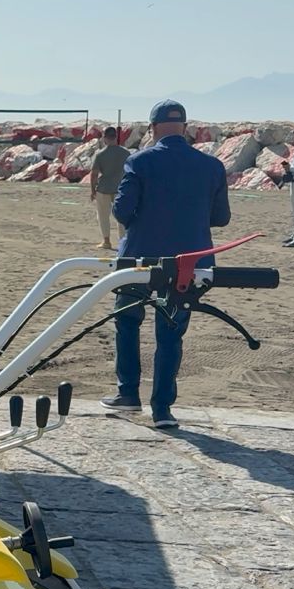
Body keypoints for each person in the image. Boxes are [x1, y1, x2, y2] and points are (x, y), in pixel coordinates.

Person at [102, 99, 230, 429]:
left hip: (139, 261)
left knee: (128, 321)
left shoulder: (139, 162)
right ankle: (162, 408)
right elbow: (221, 218)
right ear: (184, 128)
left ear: (153, 128)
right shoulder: (212, 166)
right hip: (189, 265)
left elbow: (121, 212)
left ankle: (128, 393)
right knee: (171, 333)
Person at [88, 126, 130, 250]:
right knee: (121, 217)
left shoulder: (100, 154)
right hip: (120, 188)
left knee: (103, 215)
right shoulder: (125, 153)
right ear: (116, 137)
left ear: (104, 138)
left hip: (104, 188)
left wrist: (92, 190)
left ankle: (106, 241)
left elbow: (94, 174)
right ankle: (123, 241)